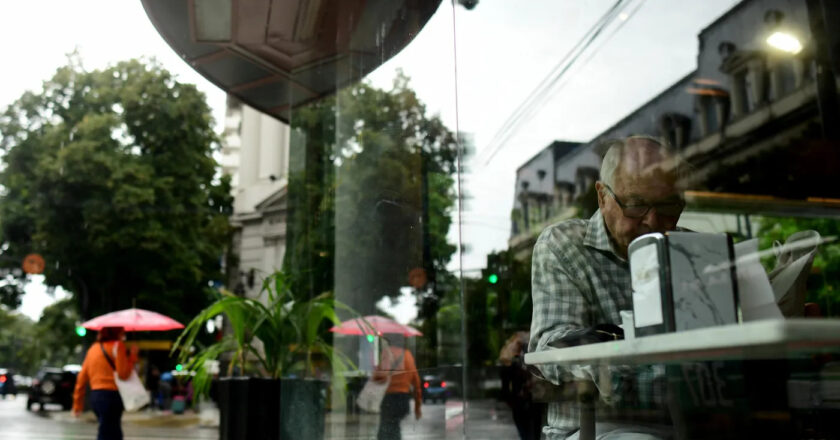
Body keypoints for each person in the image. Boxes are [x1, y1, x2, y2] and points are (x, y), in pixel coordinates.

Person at [529, 135, 685, 439]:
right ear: (602, 196)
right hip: (594, 427)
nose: (653, 221)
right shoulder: (564, 245)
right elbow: (551, 346)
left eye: (668, 206)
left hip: (684, 422)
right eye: (636, 205)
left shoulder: (687, 247)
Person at [73, 326, 139, 440]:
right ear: (116, 332)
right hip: (111, 395)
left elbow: (81, 378)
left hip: (95, 396)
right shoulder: (118, 346)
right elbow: (123, 374)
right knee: (110, 432)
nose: (123, 334)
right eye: (121, 331)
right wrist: (132, 356)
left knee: (109, 429)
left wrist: (77, 403)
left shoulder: (92, 349)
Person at [372, 336, 422, 440]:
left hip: (390, 399)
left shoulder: (387, 353)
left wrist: (376, 370)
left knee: (385, 431)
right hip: (403, 399)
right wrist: (417, 407)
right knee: (394, 426)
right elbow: (416, 382)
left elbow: (379, 378)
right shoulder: (408, 355)